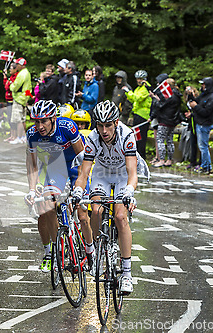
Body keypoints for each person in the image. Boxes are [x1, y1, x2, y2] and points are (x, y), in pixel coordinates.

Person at [72, 101, 137, 294]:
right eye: (100, 125)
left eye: (108, 125)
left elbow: (132, 172)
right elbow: (84, 173)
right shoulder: (92, 138)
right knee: (97, 210)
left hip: (122, 174)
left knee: (120, 217)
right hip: (101, 173)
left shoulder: (127, 135)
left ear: (116, 122)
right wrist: (78, 191)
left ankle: (126, 274)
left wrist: (129, 191)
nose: (104, 130)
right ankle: (98, 250)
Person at [24, 100, 92, 272]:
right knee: (48, 206)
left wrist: (78, 185)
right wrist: (32, 190)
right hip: (55, 168)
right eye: (36, 121)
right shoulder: (32, 134)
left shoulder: (67, 127)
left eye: (44, 121)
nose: (40, 126)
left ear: (54, 118)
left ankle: (90, 252)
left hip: (75, 166)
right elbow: (32, 166)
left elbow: (82, 157)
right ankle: (57, 251)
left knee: (82, 214)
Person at [149, 78, 182, 167]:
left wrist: (154, 99)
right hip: (173, 120)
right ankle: (169, 160)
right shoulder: (177, 95)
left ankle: (162, 160)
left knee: (160, 139)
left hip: (164, 120)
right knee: (170, 140)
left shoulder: (170, 96)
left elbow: (161, 105)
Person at [188, 77, 213, 173]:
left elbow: (206, 112)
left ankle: (206, 166)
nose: (202, 86)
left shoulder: (212, 98)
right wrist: (190, 96)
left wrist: (195, 107)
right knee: (201, 146)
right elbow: (195, 101)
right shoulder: (203, 95)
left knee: (203, 146)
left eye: (203, 84)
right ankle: (204, 165)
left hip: (205, 124)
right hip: (199, 123)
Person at [125, 70, 151, 159]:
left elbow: (137, 98)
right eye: (137, 79)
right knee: (136, 136)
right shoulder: (138, 88)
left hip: (143, 115)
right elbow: (133, 99)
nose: (138, 81)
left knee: (141, 137)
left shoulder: (145, 88)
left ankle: (142, 156)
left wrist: (129, 91)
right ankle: (137, 155)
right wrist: (128, 94)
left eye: (140, 79)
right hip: (137, 114)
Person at [9, 57, 32, 144]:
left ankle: (19, 137)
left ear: (21, 65)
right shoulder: (27, 73)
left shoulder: (22, 74)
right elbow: (28, 88)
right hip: (23, 99)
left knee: (18, 120)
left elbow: (15, 87)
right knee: (23, 120)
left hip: (19, 99)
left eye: (17, 64)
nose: (16, 66)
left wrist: (11, 85)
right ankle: (23, 137)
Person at [3, 62, 18, 142]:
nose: (9, 70)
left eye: (11, 68)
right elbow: (5, 86)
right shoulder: (11, 77)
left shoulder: (16, 77)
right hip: (8, 100)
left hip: (13, 100)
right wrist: (5, 77)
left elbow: (9, 87)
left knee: (13, 119)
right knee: (9, 118)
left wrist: (8, 82)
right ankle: (12, 135)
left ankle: (15, 135)